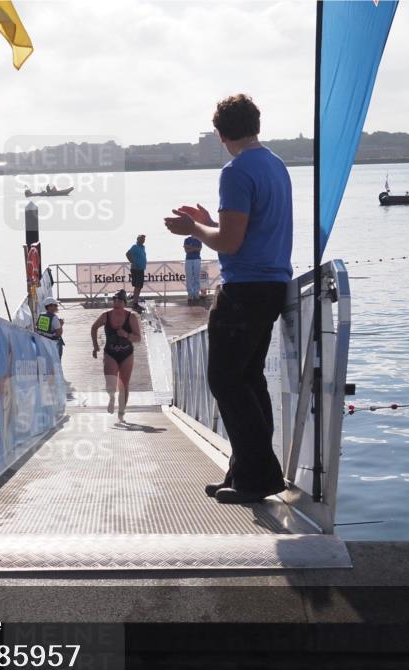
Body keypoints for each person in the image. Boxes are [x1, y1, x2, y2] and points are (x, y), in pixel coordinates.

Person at [163, 93, 292, 504]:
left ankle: (258, 477)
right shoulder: (276, 165)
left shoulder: (235, 172)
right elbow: (249, 230)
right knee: (249, 381)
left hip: (244, 290)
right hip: (272, 284)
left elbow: (232, 244)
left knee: (225, 381)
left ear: (220, 133)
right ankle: (245, 471)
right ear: (256, 123)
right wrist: (208, 221)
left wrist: (193, 229)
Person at [90, 290, 141, 422]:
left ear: (125, 303)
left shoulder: (131, 317)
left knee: (124, 384)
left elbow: (138, 338)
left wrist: (127, 335)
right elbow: (94, 327)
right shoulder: (105, 315)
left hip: (126, 354)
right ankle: (112, 398)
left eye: (119, 300)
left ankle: (121, 413)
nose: (116, 303)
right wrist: (95, 346)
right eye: (114, 300)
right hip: (110, 353)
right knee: (110, 383)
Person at [125, 234, 147, 309]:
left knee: (139, 286)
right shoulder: (135, 247)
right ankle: (135, 303)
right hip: (136, 269)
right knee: (137, 286)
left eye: (143, 239)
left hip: (141, 269)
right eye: (141, 239)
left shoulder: (143, 247)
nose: (143, 240)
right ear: (138, 239)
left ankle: (135, 302)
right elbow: (127, 254)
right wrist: (132, 261)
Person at [183, 236, 203, 304]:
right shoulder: (187, 240)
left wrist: (191, 248)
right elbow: (186, 250)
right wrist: (194, 249)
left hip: (197, 259)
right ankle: (190, 294)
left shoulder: (199, 239)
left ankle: (196, 293)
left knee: (196, 277)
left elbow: (199, 249)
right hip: (188, 259)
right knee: (189, 277)